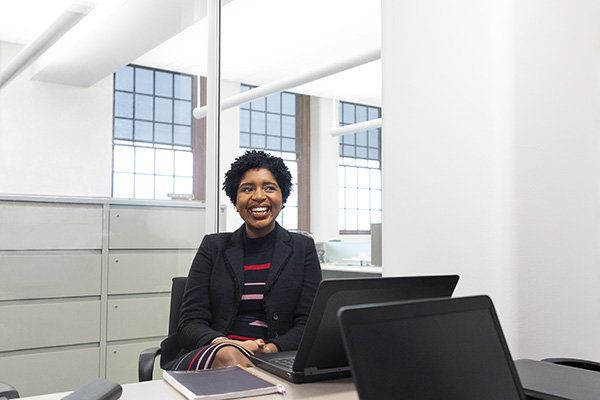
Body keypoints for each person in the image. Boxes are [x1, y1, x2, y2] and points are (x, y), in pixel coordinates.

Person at [160, 150, 322, 370]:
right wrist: (226, 345)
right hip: (212, 351)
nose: (258, 196)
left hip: (276, 357)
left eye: (269, 188)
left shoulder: (303, 248)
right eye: (247, 189)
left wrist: (268, 350)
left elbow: (309, 324)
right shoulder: (213, 246)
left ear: (282, 198)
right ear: (236, 201)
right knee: (230, 358)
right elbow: (190, 323)